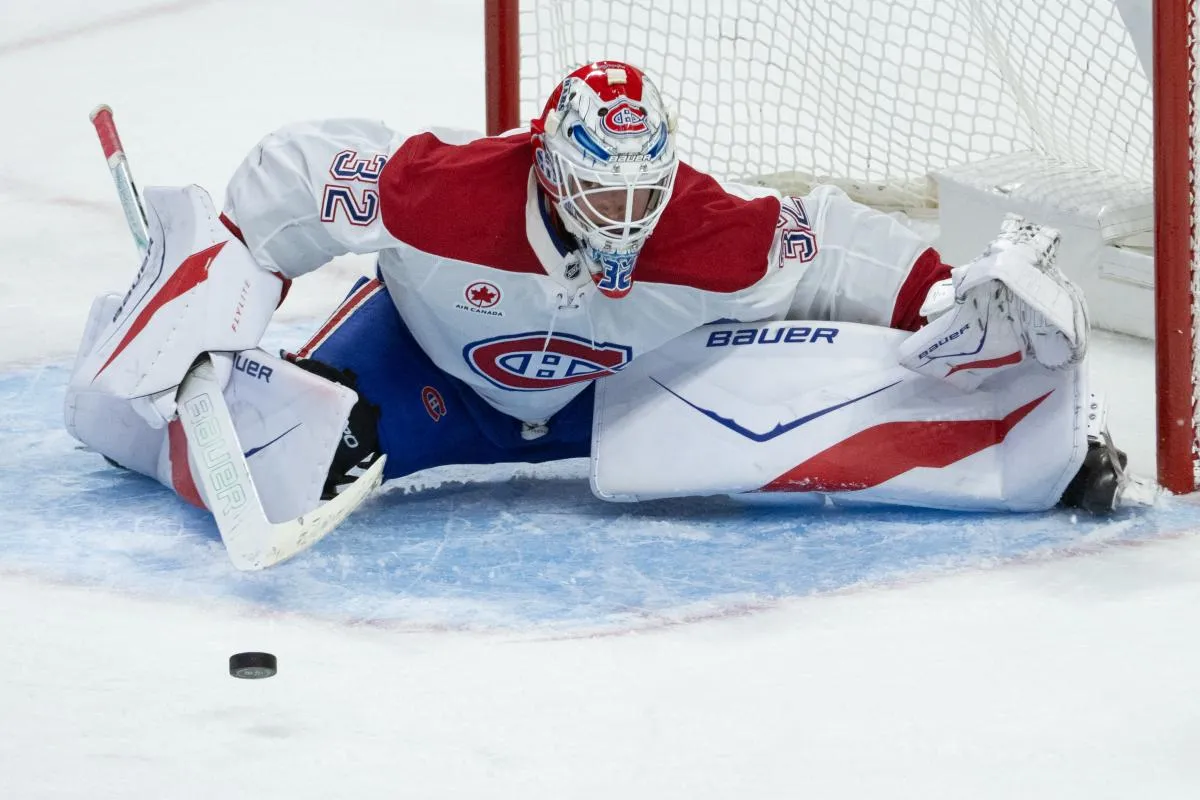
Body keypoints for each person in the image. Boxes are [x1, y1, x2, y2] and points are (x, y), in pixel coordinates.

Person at [64, 60, 1128, 533]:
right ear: (546, 164)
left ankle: (1030, 445)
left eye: (639, 187)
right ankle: (119, 385)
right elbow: (289, 180)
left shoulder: (710, 227)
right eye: (597, 186)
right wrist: (222, 293)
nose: (622, 213)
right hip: (425, 376)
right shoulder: (443, 191)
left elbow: (834, 241)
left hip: (603, 397)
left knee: (863, 372)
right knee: (256, 457)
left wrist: (945, 290)